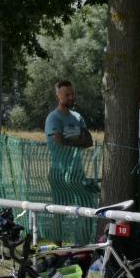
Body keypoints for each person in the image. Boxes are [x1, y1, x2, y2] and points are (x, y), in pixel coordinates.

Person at [45, 80, 94, 245]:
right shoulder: (53, 118)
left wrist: (70, 140)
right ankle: (55, 250)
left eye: (73, 94)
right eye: (67, 94)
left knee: (87, 208)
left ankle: (82, 247)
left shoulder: (78, 117)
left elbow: (89, 141)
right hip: (59, 172)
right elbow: (58, 142)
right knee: (59, 212)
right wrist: (77, 140)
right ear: (58, 96)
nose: (71, 97)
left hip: (77, 172)